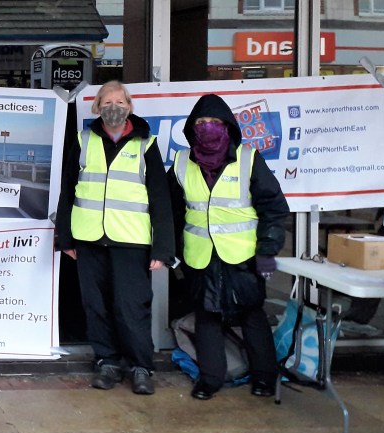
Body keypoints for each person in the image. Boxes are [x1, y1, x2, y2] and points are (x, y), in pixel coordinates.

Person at [168, 93, 290, 400]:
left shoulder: (249, 159)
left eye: (214, 121)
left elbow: (274, 208)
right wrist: (175, 252)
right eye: (201, 121)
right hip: (200, 255)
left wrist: (267, 251)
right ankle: (210, 379)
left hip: (243, 256)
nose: (207, 127)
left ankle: (265, 377)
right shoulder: (182, 162)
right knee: (207, 316)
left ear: (228, 126)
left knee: (251, 315)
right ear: (191, 127)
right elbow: (171, 211)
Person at [55, 80, 174, 395]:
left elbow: (161, 200)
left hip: (131, 242)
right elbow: (67, 191)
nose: (113, 108)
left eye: (120, 102)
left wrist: (162, 248)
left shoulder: (146, 144)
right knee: (96, 306)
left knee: (131, 307)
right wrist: (65, 238)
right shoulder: (83, 141)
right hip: (89, 240)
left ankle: (140, 367)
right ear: (96, 107)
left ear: (129, 107)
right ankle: (106, 362)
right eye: (106, 102)